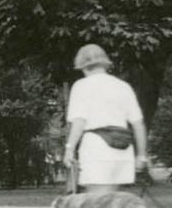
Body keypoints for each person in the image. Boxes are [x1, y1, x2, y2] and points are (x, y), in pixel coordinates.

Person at [62, 43, 149, 195]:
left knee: (96, 203)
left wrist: (69, 150)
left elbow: (79, 121)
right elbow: (138, 124)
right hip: (122, 150)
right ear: (105, 63)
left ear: (82, 66)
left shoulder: (81, 86)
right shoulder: (123, 86)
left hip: (96, 148)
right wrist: (141, 155)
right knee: (111, 202)